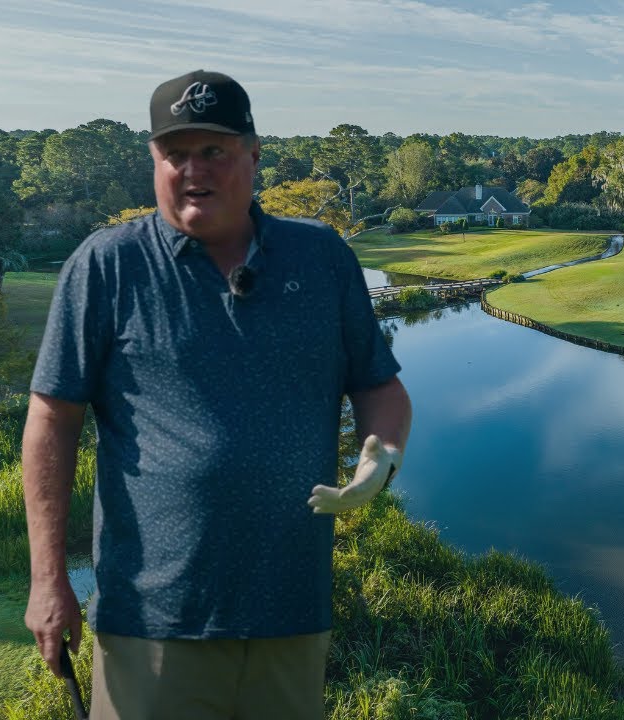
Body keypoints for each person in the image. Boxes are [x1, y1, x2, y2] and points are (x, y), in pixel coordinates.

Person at [22, 70, 412, 719]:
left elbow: (381, 388)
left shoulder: (321, 259)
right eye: (176, 153)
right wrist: (46, 577)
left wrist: (383, 456)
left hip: (291, 611)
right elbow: (50, 420)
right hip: (151, 621)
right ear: (154, 160)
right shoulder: (107, 264)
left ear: (254, 156)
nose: (193, 169)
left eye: (215, 151)